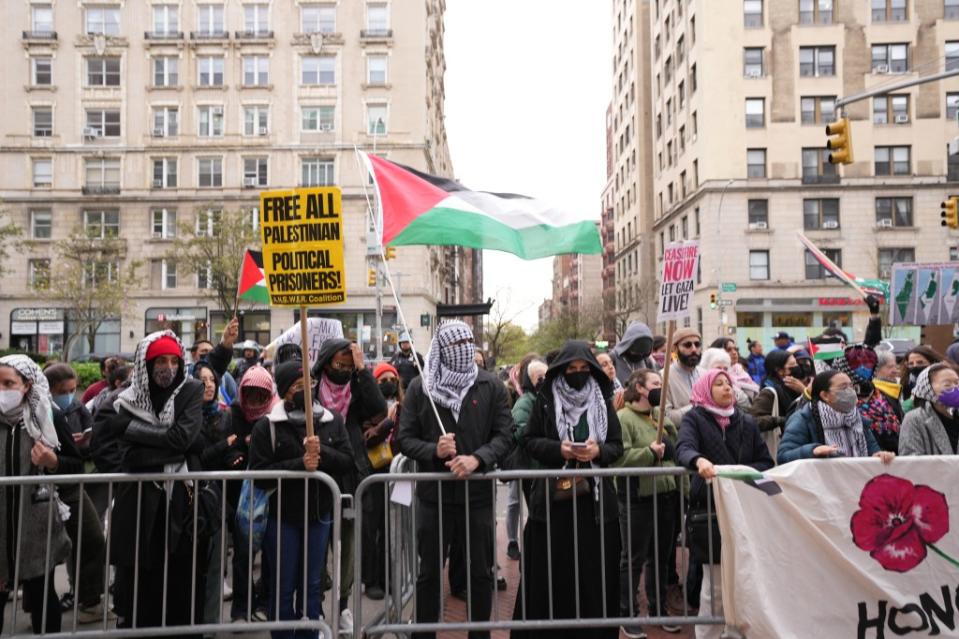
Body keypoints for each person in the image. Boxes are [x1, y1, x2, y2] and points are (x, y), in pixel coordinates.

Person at [397, 320, 514, 639]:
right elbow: (403, 439)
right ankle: (424, 634)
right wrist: (433, 449)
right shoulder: (422, 388)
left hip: (476, 497)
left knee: (480, 572)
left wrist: (479, 458)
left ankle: (480, 634)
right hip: (433, 498)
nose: (463, 349)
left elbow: (505, 435)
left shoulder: (491, 386)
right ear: (441, 349)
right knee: (429, 573)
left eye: (468, 342)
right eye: (455, 344)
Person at [90, 331, 210, 636]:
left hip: (181, 504)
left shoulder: (190, 390)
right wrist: (166, 448)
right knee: (139, 588)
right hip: (137, 504)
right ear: (145, 363)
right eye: (161, 360)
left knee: (183, 584)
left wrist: (129, 428)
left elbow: (182, 438)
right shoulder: (119, 401)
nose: (168, 367)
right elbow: (118, 455)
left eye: (174, 360)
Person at [512, 340, 622, 639]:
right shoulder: (546, 400)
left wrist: (596, 452)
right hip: (553, 507)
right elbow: (531, 441)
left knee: (594, 575)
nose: (578, 373)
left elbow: (616, 446)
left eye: (584, 368)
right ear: (560, 371)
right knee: (552, 576)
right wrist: (559, 449)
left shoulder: (602, 400)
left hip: (595, 509)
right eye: (571, 369)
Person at [249, 360, 354, 639]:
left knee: (312, 586)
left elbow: (348, 462)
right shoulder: (267, 427)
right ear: (284, 391)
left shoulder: (332, 421)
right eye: (297, 386)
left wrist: (323, 455)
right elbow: (258, 474)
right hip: (281, 519)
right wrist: (300, 463)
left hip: (319, 517)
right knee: (284, 587)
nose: (306, 390)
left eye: (309, 383)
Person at [676, 370, 774, 639]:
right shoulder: (694, 418)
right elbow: (683, 448)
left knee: (743, 583)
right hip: (708, 513)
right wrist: (699, 461)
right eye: (718, 384)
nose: (726, 388)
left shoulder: (746, 422)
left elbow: (765, 462)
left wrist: (732, 472)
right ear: (705, 389)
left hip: (744, 511)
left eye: (728, 383)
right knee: (715, 589)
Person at [312, 338, 387, 633]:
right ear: (326, 362)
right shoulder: (312, 387)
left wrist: (361, 370)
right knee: (317, 549)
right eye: (338, 365)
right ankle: (315, 608)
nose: (342, 370)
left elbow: (379, 407)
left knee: (347, 550)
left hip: (350, 475)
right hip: (318, 479)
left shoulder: (356, 387)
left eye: (347, 365)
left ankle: (343, 607)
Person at [0, 355, 72, 634]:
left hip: (37, 530)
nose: (3, 390)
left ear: (27, 385)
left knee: (43, 599)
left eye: (8, 383)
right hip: (2, 528)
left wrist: (52, 462)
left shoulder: (48, 418)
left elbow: (76, 463)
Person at [613, 369, 680, 638]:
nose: (660, 388)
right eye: (655, 384)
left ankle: (658, 608)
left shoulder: (657, 418)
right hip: (637, 497)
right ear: (640, 388)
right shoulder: (623, 418)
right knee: (634, 557)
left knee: (661, 556)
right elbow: (619, 459)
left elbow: (673, 454)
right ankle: (626, 613)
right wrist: (648, 453)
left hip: (664, 495)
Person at [43, 363, 107, 621]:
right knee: (44, 552)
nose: (70, 395)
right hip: (47, 491)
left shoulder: (76, 409)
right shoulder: (43, 413)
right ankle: (41, 606)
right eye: (64, 390)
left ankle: (89, 601)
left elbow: (77, 457)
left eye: (72, 390)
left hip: (71, 487)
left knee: (90, 540)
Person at [192, 361, 245, 625]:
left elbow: (231, 451)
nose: (209, 385)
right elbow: (197, 458)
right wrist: (224, 446)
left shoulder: (226, 415)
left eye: (212, 380)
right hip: (192, 503)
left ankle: (210, 626)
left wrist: (233, 455)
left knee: (215, 569)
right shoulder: (187, 417)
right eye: (202, 380)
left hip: (220, 502)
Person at [229, 365, 278, 624]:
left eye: (261, 395)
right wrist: (236, 453)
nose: (255, 401)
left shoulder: (275, 415)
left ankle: (264, 603)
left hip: (269, 493)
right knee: (243, 556)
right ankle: (241, 609)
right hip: (240, 497)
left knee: (270, 554)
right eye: (250, 394)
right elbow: (227, 443)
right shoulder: (234, 413)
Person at [778, 371, 895, 465]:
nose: (850, 391)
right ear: (824, 395)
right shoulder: (804, 419)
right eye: (843, 387)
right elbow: (783, 456)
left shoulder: (857, 418)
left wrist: (879, 456)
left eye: (851, 386)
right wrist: (812, 450)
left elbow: (873, 450)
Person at [361, 362, 404, 601]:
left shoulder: (406, 406)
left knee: (395, 526)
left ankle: (391, 576)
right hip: (374, 476)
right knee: (372, 529)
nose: (388, 383)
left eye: (392, 379)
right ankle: (372, 580)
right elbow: (366, 439)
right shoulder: (369, 410)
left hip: (400, 477)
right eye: (382, 380)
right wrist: (386, 422)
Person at [506, 358, 547, 561]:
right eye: (540, 377)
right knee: (536, 516)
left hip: (544, 467)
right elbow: (519, 432)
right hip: (531, 468)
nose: (544, 380)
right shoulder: (525, 402)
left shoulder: (546, 398)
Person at [749, 350, 805, 462]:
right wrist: (783, 420)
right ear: (780, 371)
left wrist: (804, 391)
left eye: (796, 364)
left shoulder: (796, 389)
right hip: (780, 449)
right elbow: (754, 420)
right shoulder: (769, 392)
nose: (796, 368)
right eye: (791, 366)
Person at [899, 363, 959, 456]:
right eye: (947, 384)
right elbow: (910, 459)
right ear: (928, 389)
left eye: (957, 383)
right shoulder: (914, 419)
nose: (955, 388)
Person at [854, 349, 902, 453]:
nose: (895, 370)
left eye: (895, 366)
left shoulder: (893, 390)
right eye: (889, 367)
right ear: (876, 370)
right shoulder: (873, 395)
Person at [664, 328, 704, 426]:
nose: (694, 349)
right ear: (675, 348)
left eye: (697, 344)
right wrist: (699, 407)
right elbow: (666, 418)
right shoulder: (663, 377)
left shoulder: (705, 374)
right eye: (687, 345)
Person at [611, 321, 659, 385]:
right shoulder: (613, 358)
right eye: (637, 352)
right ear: (628, 346)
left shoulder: (647, 361)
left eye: (643, 353)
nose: (640, 355)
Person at [900, 346, 945, 412]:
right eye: (911, 363)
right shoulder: (907, 382)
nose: (915, 366)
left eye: (920, 362)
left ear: (932, 362)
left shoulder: (944, 381)